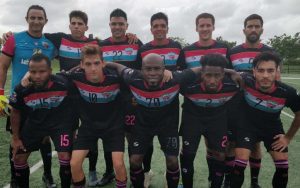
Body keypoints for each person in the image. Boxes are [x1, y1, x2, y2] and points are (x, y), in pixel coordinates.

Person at [0, 5, 56, 188]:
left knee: (45, 137)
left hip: (42, 101)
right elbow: (2, 67)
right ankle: (15, 178)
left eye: (40, 18)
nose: (36, 21)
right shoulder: (14, 40)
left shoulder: (50, 44)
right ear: (27, 19)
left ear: (45, 21)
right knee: (16, 139)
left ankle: (47, 175)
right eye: (33, 17)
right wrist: (0, 94)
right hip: (20, 101)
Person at [230, 52, 300, 188]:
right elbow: (223, 72)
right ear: (254, 71)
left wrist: (288, 137)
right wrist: (230, 72)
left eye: (270, 70)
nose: (266, 75)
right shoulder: (245, 80)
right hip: (247, 127)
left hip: (272, 128)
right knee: (240, 164)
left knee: (283, 168)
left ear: (277, 71)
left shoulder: (288, 92)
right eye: (261, 70)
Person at [224, 14, 278, 188]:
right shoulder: (233, 52)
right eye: (250, 26)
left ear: (262, 29)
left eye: (256, 26)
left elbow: (276, 79)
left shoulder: (270, 52)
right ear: (244, 29)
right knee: (231, 144)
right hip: (237, 106)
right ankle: (229, 179)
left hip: (258, 107)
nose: (253, 29)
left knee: (255, 145)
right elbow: (227, 77)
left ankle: (254, 182)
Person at [67, 44, 127, 188]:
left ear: (103, 63)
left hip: (113, 127)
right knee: (74, 163)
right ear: (81, 65)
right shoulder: (75, 77)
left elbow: (139, 76)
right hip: (89, 126)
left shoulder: (116, 78)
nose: (93, 68)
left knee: (118, 164)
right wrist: (28, 75)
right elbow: (50, 77)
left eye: (96, 63)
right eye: (88, 64)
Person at [10, 53, 73, 188]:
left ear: (50, 71)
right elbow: (15, 112)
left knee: (65, 157)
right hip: (34, 125)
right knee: (19, 158)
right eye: (33, 72)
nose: (37, 76)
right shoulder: (22, 89)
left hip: (59, 125)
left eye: (42, 71)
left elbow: (77, 71)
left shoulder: (63, 83)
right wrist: (15, 138)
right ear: (28, 72)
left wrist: (74, 129)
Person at [98, 8, 144, 187]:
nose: (117, 27)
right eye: (114, 24)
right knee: (110, 137)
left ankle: (137, 173)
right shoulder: (101, 45)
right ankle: (110, 172)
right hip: (109, 98)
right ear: (109, 25)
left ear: (127, 26)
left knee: (132, 137)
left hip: (131, 99)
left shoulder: (136, 43)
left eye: (121, 24)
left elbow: (142, 69)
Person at [180, 54, 239, 188]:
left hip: (217, 120)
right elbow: (172, 76)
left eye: (217, 75)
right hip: (192, 119)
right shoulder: (187, 84)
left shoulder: (234, 84)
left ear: (223, 74)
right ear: (201, 73)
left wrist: (234, 72)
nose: (212, 80)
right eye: (208, 75)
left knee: (220, 155)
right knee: (188, 154)